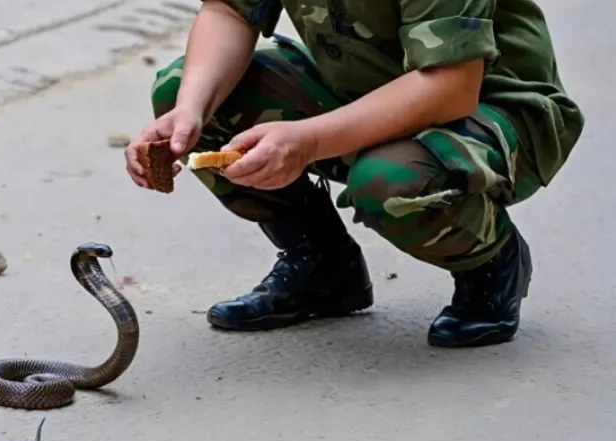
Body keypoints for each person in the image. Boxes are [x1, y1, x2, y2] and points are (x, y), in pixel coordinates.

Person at [123, 0, 584, 347]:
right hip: (362, 93)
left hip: (492, 111)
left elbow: (452, 85)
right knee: (184, 91)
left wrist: (309, 140)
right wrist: (191, 109)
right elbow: (230, 11)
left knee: (390, 182)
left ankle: (491, 263)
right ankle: (323, 266)